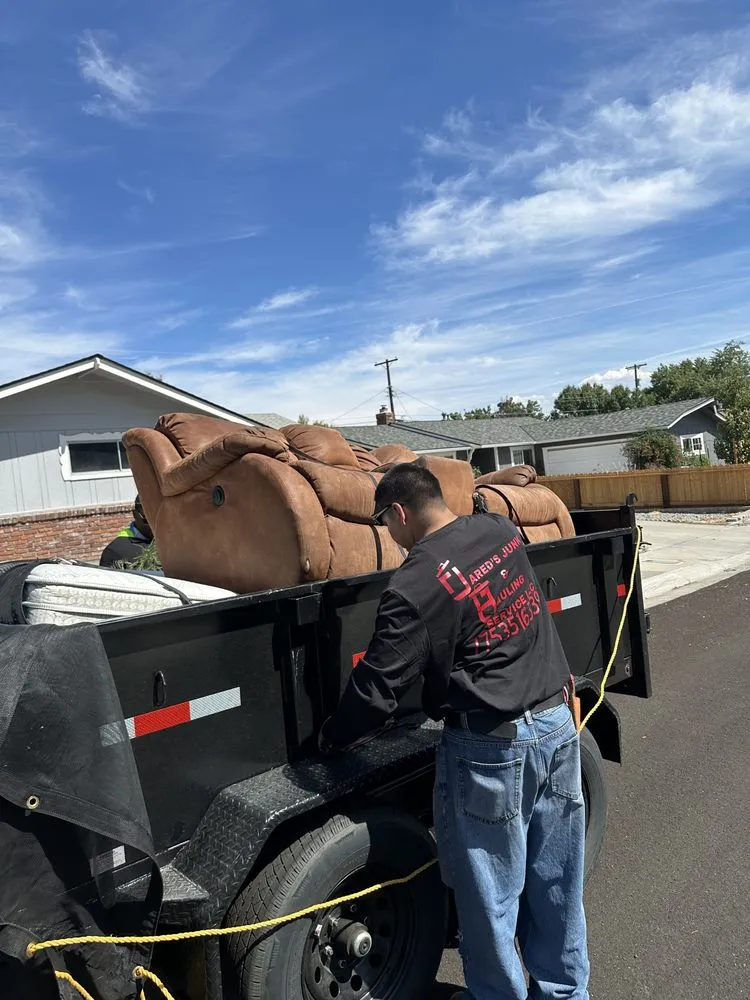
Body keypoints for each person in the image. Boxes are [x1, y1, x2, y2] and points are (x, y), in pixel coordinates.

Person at [319, 462, 589, 1000]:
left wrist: (332, 737)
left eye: (383, 523)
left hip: (493, 750)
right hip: (557, 727)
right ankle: (565, 993)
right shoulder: (499, 533)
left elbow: (377, 688)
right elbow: (530, 613)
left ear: (398, 513)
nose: (389, 536)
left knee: (490, 897)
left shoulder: (415, 585)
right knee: (557, 881)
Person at [99, 495, 154, 568]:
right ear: (135, 514)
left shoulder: (170, 545)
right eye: (147, 515)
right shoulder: (115, 551)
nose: (154, 523)